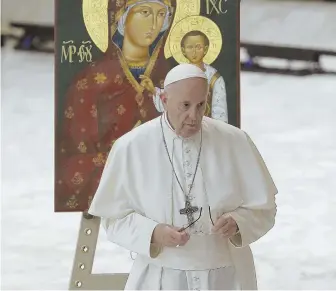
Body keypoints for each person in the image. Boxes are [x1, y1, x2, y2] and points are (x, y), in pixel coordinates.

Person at [88, 63, 278, 290]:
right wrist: (153, 233)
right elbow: (113, 217)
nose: (193, 116)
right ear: (165, 100)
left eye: (201, 105)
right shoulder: (131, 147)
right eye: (185, 106)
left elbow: (265, 208)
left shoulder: (234, 141)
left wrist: (238, 223)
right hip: (160, 276)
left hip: (225, 276)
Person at [55, 0, 174, 211]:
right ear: (121, 16)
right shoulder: (91, 81)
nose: (154, 23)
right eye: (145, 12)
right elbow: (76, 157)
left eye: (161, 14)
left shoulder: (174, 79)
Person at [142, 30, 228, 122]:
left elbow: (220, 113)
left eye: (198, 47)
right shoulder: (177, 74)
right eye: (190, 47)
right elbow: (171, 102)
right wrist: (153, 90)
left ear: (205, 49)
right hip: (182, 126)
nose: (194, 51)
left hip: (206, 128)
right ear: (183, 50)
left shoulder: (214, 79)